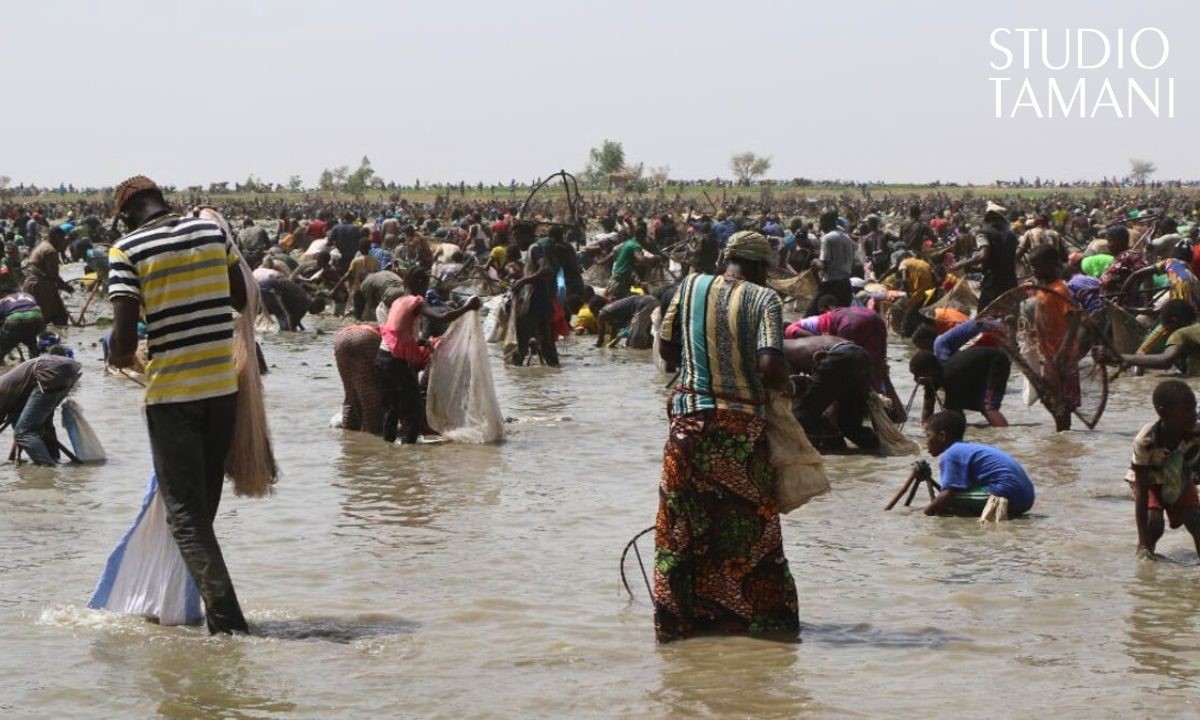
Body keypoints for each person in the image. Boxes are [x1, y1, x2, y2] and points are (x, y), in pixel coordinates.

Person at [106, 175, 250, 635]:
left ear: (126, 213)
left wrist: (120, 354)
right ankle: (184, 605)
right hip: (221, 389)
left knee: (185, 516)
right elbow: (241, 297)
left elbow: (125, 341)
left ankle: (229, 624)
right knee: (201, 508)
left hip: (172, 397)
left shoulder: (126, 250)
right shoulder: (211, 233)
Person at [654, 230, 799, 643]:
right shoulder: (763, 299)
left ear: (726, 259)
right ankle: (758, 627)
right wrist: (790, 387)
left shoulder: (690, 285)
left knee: (680, 526)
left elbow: (667, 351)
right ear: (758, 269)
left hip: (688, 424)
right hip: (739, 430)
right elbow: (770, 366)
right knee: (750, 533)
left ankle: (679, 625)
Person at [376, 268, 481, 444]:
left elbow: (397, 332)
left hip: (382, 356)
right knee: (414, 410)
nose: (425, 289)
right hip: (397, 361)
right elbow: (441, 317)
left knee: (391, 409)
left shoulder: (397, 301)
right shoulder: (416, 301)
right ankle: (410, 455)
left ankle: (389, 455)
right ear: (419, 283)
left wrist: (421, 342)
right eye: (425, 284)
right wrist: (468, 307)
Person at [1128, 379, 1200, 560]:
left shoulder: (1196, 432)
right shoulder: (1146, 441)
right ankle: (1145, 564)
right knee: (1154, 523)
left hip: (1179, 476)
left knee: (1195, 519)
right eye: (1186, 411)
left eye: (1194, 408)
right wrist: (1143, 540)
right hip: (1150, 480)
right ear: (1163, 412)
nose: (1194, 415)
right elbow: (1143, 492)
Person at [921, 410, 1035, 517]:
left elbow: (947, 494)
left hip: (1008, 495)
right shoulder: (967, 448)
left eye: (928, 436)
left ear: (942, 436)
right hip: (1026, 497)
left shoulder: (951, 454)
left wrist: (925, 513)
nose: (926, 443)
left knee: (948, 500)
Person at [783, 334, 879, 452]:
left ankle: (809, 454)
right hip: (861, 355)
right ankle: (884, 451)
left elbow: (788, 390)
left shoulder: (773, 352)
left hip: (839, 356)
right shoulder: (790, 344)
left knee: (799, 415)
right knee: (850, 427)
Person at [0, 353, 81, 466]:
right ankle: (54, 459)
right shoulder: (8, 386)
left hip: (47, 374)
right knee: (42, 426)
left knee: (23, 433)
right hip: (67, 370)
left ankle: (48, 468)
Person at [910, 348, 1010, 427]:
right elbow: (927, 410)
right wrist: (926, 430)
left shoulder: (950, 376)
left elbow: (955, 414)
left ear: (930, 370)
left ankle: (1005, 435)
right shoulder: (932, 379)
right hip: (977, 372)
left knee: (988, 407)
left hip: (996, 363)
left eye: (917, 375)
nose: (915, 380)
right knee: (977, 404)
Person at [507, 222, 559, 367]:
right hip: (543, 302)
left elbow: (546, 269)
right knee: (547, 344)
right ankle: (554, 373)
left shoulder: (534, 249)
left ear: (528, 236)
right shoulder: (534, 249)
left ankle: (517, 379)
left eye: (518, 238)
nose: (517, 242)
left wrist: (523, 281)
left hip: (534, 303)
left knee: (521, 344)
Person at [957, 202, 1017, 311]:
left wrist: (960, 264)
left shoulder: (983, 234)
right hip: (1011, 283)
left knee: (983, 316)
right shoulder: (1012, 236)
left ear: (988, 219)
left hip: (993, 284)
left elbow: (983, 255)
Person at [1115, 300, 1200, 376]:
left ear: (1174, 321)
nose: (1167, 334)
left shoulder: (1180, 333)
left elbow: (1165, 359)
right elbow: (1166, 364)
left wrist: (1118, 357)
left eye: (1167, 329)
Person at [334, 324, 384, 435]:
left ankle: (348, 434)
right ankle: (373, 434)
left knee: (350, 393)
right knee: (372, 395)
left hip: (341, 338)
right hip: (367, 338)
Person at [22, 225, 73, 325]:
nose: (63, 242)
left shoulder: (42, 245)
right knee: (57, 316)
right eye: (62, 239)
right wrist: (67, 287)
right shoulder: (51, 251)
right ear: (57, 237)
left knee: (41, 317)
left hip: (29, 284)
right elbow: (53, 276)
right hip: (41, 286)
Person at [807, 210, 855, 313]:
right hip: (846, 285)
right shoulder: (847, 238)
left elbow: (824, 265)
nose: (820, 225)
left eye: (821, 222)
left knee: (811, 316)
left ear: (825, 222)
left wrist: (815, 262)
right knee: (841, 318)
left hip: (831, 285)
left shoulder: (827, 238)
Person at [260, 275, 325, 331]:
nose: (315, 314)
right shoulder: (305, 305)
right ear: (316, 307)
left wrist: (302, 328)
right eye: (318, 311)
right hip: (270, 289)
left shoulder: (305, 297)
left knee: (279, 313)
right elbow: (293, 322)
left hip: (263, 284)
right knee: (286, 327)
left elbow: (295, 319)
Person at [0, 292, 46, 360]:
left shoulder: (2, 301)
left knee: (4, 344)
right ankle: (35, 359)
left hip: (14, 318)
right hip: (36, 316)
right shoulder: (28, 295)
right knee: (32, 340)